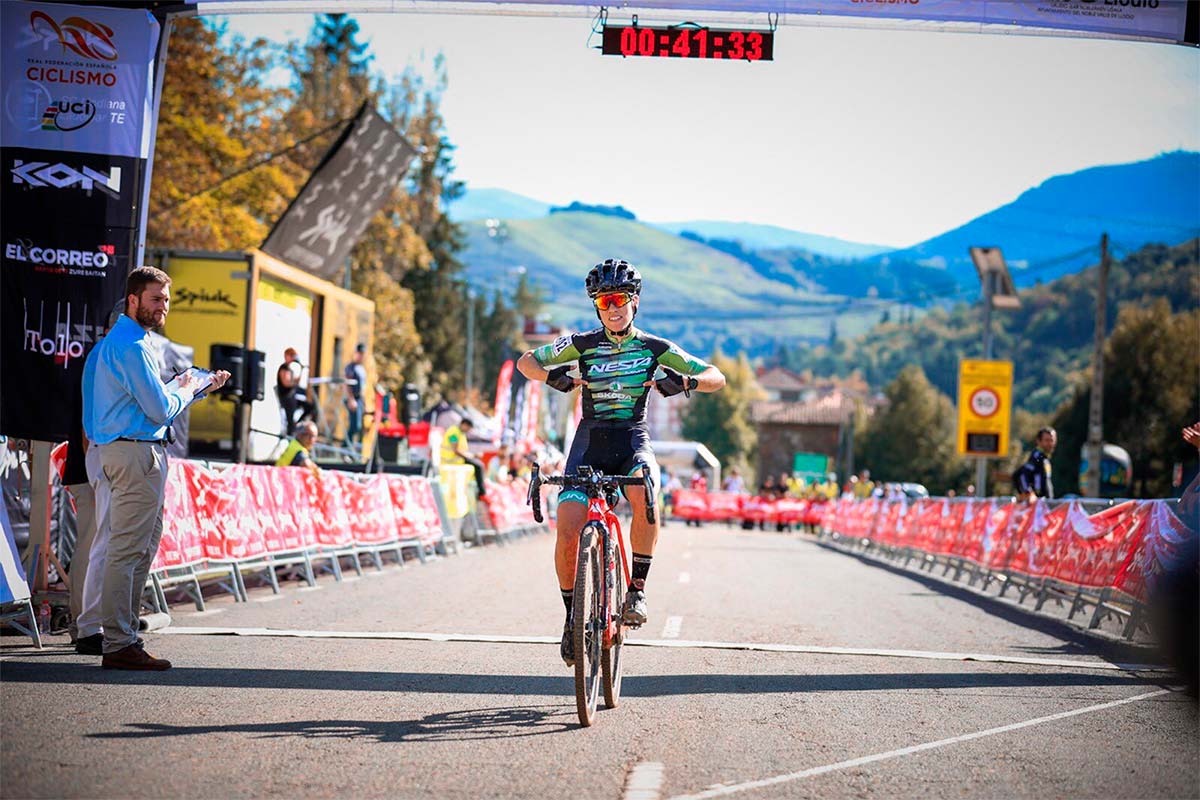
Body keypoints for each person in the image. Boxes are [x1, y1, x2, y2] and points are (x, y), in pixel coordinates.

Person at [516, 258, 726, 667]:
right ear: (597, 306)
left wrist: (685, 381)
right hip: (589, 440)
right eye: (604, 301)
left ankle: (637, 589)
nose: (613, 308)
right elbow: (527, 362)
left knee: (647, 488)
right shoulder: (582, 344)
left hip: (632, 438)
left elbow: (717, 376)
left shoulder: (655, 348)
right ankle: (572, 618)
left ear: (635, 302)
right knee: (568, 531)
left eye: (620, 299)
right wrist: (553, 378)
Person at [81, 267, 230, 669]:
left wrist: (184, 389)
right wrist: (189, 390)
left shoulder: (132, 343)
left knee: (137, 548)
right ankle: (118, 642)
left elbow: (150, 404)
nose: (162, 307)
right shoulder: (130, 346)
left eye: (165, 300)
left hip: (130, 451)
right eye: (155, 299)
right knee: (127, 550)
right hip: (133, 454)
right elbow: (160, 409)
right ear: (133, 300)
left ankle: (124, 635)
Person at [441, 416, 487, 499]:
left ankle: (480, 491)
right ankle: (482, 493)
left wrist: (473, 455)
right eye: (468, 428)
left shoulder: (460, 433)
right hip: (451, 461)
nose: (468, 430)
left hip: (458, 460)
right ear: (464, 425)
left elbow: (462, 449)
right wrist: (471, 456)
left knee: (479, 465)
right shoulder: (453, 432)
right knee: (478, 466)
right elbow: (456, 450)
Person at [275, 347, 315, 436]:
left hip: (292, 397)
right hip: (286, 398)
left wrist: (301, 370)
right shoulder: (284, 368)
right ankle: (291, 433)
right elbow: (287, 383)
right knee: (290, 420)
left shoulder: (290, 369)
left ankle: (297, 424)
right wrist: (293, 383)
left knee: (309, 407)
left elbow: (295, 382)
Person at [1014, 426, 1056, 502]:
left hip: (1044, 504)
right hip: (1038, 506)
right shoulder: (1037, 457)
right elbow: (1021, 474)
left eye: (1052, 440)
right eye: (1046, 440)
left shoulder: (1044, 458)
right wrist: (1028, 493)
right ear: (1038, 441)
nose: (1050, 443)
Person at [343, 343, 367, 447]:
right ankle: (345, 447)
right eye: (359, 353)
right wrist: (350, 399)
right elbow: (347, 384)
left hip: (360, 399)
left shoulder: (362, 368)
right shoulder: (351, 367)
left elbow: (363, 387)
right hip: (353, 399)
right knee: (355, 426)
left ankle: (352, 448)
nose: (361, 356)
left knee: (360, 427)